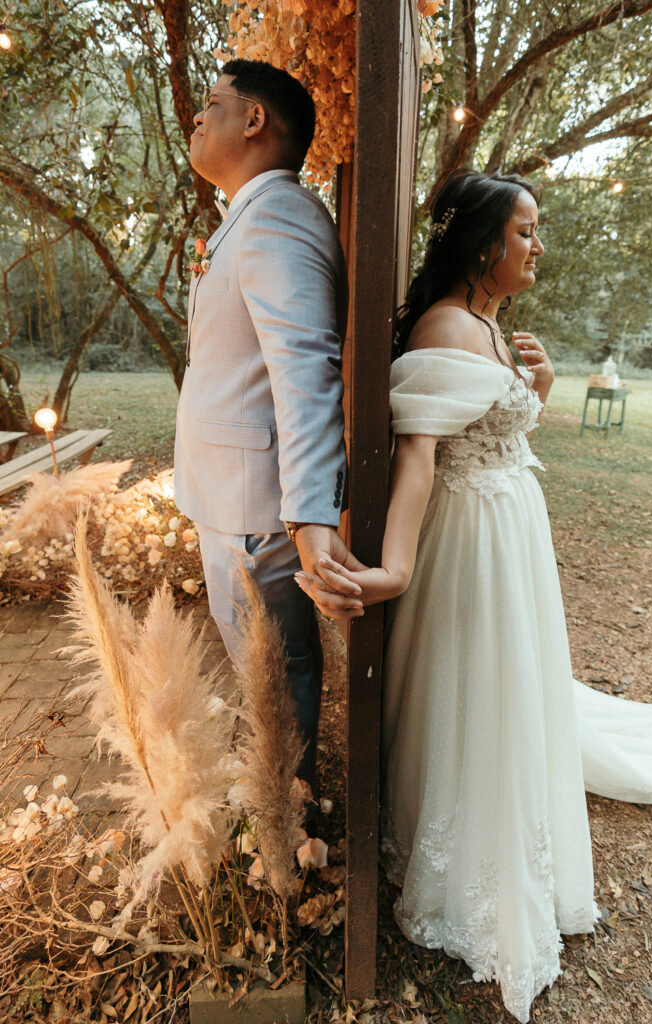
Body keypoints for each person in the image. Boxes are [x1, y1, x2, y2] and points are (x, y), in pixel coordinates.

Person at [296, 169, 652, 1022]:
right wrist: (396, 569)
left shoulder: (485, 325)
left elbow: (488, 424)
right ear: (481, 244)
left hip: (509, 529)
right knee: (482, 687)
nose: (537, 246)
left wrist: (533, 388)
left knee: (511, 683)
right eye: (525, 230)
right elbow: (418, 455)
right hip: (473, 540)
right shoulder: (446, 326)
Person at [174, 59, 363, 793]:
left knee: (276, 674)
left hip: (256, 510)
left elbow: (306, 370)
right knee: (262, 672)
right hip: (231, 493)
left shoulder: (279, 215)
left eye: (212, 103)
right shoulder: (249, 215)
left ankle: (285, 817)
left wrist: (312, 515)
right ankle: (279, 803)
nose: (197, 117)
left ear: (254, 120)